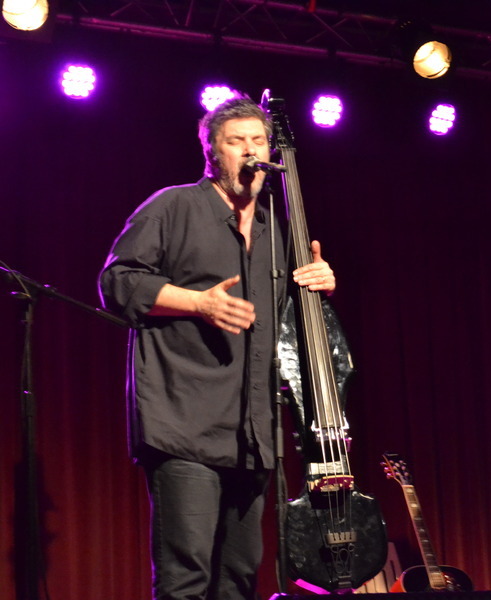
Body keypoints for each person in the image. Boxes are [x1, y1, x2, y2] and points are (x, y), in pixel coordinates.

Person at [99, 96, 336, 600]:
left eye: (259, 141)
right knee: (186, 577)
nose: (251, 151)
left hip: (252, 434)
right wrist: (198, 303)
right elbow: (118, 282)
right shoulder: (173, 206)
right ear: (212, 152)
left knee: (240, 579)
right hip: (183, 424)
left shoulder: (275, 230)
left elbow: (290, 327)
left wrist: (318, 283)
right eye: (237, 141)